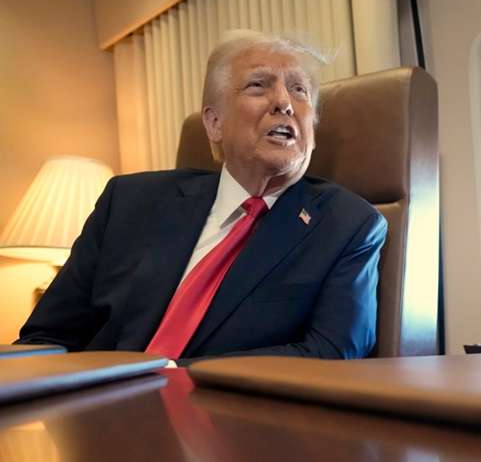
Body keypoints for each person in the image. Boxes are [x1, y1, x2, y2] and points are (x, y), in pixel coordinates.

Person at [16, 30, 387, 366]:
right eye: (258, 85)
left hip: (222, 412)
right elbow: (46, 337)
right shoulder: (129, 202)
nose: (283, 102)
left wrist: (177, 375)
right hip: (91, 403)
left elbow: (331, 352)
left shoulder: (347, 226)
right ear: (214, 123)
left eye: (299, 90)